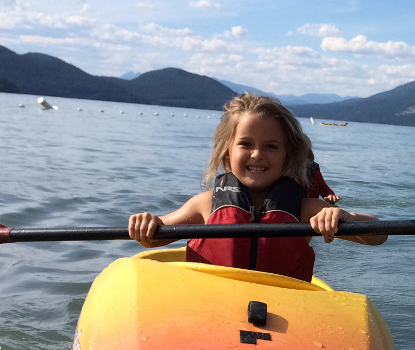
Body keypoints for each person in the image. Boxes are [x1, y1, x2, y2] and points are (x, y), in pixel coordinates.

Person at [128, 93, 384, 282]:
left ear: (288, 156)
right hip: (211, 311)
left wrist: (345, 217)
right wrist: (147, 223)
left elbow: (378, 235)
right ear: (227, 152)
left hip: (282, 318)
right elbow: (152, 238)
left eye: (271, 146)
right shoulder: (205, 205)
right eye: (246, 144)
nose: (257, 154)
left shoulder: (307, 210)